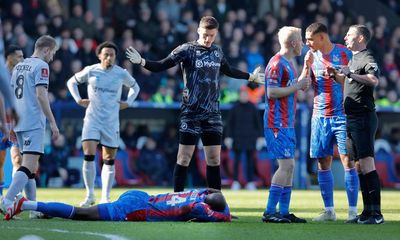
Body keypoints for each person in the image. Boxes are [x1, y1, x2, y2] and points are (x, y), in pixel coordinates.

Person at [126, 16, 263, 192]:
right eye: (205, 34)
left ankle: (216, 203)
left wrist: (250, 76)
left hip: (213, 113)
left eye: (212, 35)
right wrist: (142, 62)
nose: (208, 39)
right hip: (191, 113)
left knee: (214, 159)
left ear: (216, 34)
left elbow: (228, 70)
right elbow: (161, 65)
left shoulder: (217, 52)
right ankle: (177, 200)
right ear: (199, 30)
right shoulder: (186, 49)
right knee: (183, 158)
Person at [67, 41, 140, 207]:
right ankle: (90, 195)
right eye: (105, 54)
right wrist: (78, 99)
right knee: (89, 155)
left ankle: (105, 197)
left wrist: (128, 102)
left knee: (109, 159)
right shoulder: (91, 70)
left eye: (112, 55)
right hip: (92, 119)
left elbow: (135, 87)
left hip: (111, 122)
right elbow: (71, 82)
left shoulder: (121, 73)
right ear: (99, 55)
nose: (108, 57)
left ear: (115, 57)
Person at [327, 25, 384, 224]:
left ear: (360, 38)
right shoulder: (353, 58)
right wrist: (336, 75)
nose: (345, 36)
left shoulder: (366, 56)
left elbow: (373, 79)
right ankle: (366, 212)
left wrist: (349, 73)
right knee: (358, 166)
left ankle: (376, 214)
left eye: (349, 34)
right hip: (351, 119)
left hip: (363, 117)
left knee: (367, 164)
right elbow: (351, 83)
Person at [304, 22, 359, 222]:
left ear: (321, 37)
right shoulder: (311, 56)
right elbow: (304, 86)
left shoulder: (345, 54)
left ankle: (352, 211)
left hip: (343, 114)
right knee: (323, 162)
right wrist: (305, 66)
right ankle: (329, 211)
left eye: (310, 39)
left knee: (348, 160)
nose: (307, 43)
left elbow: (355, 84)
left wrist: (337, 76)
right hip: (319, 115)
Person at [0, 35, 60, 215]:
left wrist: (9, 124)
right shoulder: (42, 66)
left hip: (18, 121)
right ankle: (8, 200)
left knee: (30, 167)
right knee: (28, 165)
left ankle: (33, 208)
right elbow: (41, 95)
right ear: (47, 49)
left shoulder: (19, 65)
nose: (52, 57)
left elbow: (10, 94)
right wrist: (52, 122)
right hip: (33, 120)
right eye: (53, 52)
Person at [261, 26, 310, 224]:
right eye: (301, 40)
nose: (304, 44)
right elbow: (271, 92)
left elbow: (291, 86)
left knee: (290, 166)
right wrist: (297, 86)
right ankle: (269, 211)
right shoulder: (276, 64)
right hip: (276, 122)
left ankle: (284, 211)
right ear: (293, 43)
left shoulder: (289, 63)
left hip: (287, 122)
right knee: (286, 164)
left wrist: (304, 72)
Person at [4, 188, 231, 222]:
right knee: (82, 214)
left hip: (140, 196)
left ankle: (40, 209)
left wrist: (220, 203)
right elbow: (220, 216)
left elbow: (213, 195)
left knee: (85, 212)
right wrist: (226, 215)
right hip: (136, 209)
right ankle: (26, 203)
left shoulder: (197, 193)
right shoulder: (199, 208)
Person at [224, 88, 263, 190]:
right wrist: (228, 137)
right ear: (239, 95)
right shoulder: (234, 108)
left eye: (245, 94)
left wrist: (260, 137)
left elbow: (258, 123)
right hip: (237, 138)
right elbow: (230, 124)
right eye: (242, 94)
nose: (244, 96)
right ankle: (236, 181)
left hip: (250, 138)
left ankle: (250, 182)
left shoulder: (253, 107)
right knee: (236, 162)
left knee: (250, 161)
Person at [0, 45, 24, 196]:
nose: (22, 60)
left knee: (18, 159)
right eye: (19, 56)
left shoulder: (22, 75)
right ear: (9, 57)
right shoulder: (2, 73)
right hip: (3, 124)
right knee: (0, 162)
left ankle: (14, 196)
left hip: (15, 124)